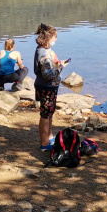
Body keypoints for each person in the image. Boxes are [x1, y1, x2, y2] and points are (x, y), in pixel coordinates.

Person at [33, 23, 69, 151]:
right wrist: (60, 67)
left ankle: (49, 136)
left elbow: (48, 68)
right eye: (55, 37)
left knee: (50, 113)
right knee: (45, 114)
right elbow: (47, 75)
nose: (56, 39)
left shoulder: (46, 50)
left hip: (50, 87)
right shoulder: (42, 52)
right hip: (46, 87)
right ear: (48, 37)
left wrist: (56, 64)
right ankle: (44, 143)